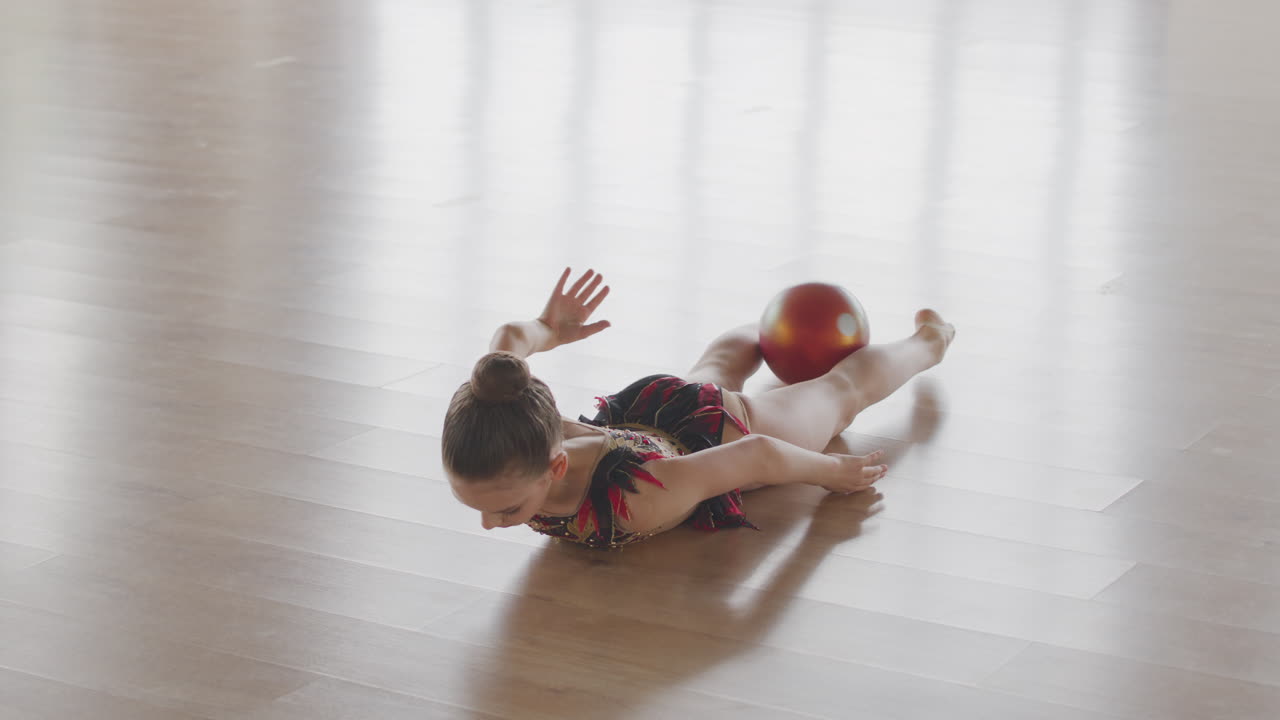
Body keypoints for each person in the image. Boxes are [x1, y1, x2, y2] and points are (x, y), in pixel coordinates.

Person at [443, 268, 955, 549]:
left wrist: (831, 472)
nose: (489, 524)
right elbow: (508, 344)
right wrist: (547, 328)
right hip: (654, 411)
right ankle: (765, 333)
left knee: (840, 395)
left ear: (555, 467)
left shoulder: (640, 496)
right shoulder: (506, 412)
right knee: (715, 369)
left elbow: (754, 456)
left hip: (719, 435)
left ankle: (929, 340)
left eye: (505, 509)